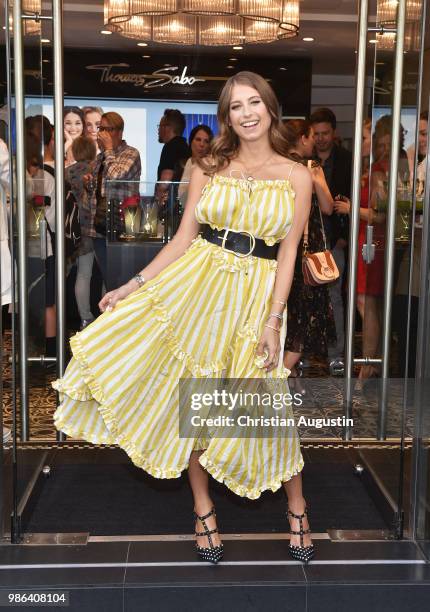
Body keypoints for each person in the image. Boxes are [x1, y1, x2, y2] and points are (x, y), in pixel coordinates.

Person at [52, 71, 315, 564]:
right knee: (195, 402)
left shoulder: (297, 174)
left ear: (270, 108)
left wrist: (273, 320)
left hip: (255, 296)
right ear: (226, 117)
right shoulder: (208, 167)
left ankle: (298, 507)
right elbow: (181, 240)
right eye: (236, 107)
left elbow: (289, 255)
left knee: (265, 404)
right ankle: (203, 509)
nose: (247, 113)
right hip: (198, 287)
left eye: (254, 102)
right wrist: (132, 287)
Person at [282, 119, 336, 379]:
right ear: (303, 138)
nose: (315, 141)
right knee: (304, 318)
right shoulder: (311, 167)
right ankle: (280, 375)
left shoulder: (278, 166)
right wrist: (317, 178)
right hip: (305, 249)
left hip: (277, 247)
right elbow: (327, 206)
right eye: (312, 136)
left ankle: (285, 376)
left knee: (283, 313)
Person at [310, 108, 352, 368]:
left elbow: (349, 200)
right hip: (308, 237)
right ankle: (306, 351)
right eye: (317, 134)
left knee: (334, 296)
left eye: (325, 133)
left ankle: (336, 354)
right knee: (307, 296)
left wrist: (344, 237)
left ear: (333, 133)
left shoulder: (347, 160)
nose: (321, 138)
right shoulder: (305, 158)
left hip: (335, 237)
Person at [86, 111, 141, 286]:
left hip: (123, 227)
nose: (101, 133)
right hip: (100, 227)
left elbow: (117, 175)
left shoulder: (131, 153)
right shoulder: (99, 158)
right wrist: (89, 183)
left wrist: (109, 149)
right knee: (108, 279)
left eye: (106, 129)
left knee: (122, 281)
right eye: (100, 128)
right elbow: (97, 193)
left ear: (118, 131)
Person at [65, 136, 98, 330]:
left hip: (69, 231)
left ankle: (60, 314)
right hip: (90, 229)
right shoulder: (94, 171)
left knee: (67, 274)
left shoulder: (66, 172)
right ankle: (87, 318)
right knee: (86, 274)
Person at [178, 124, 214, 203]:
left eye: (206, 141)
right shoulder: (185, 163)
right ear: (191, 142)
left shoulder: (212, 166)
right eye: (198, 139)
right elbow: (180, 196)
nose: (202, 144)